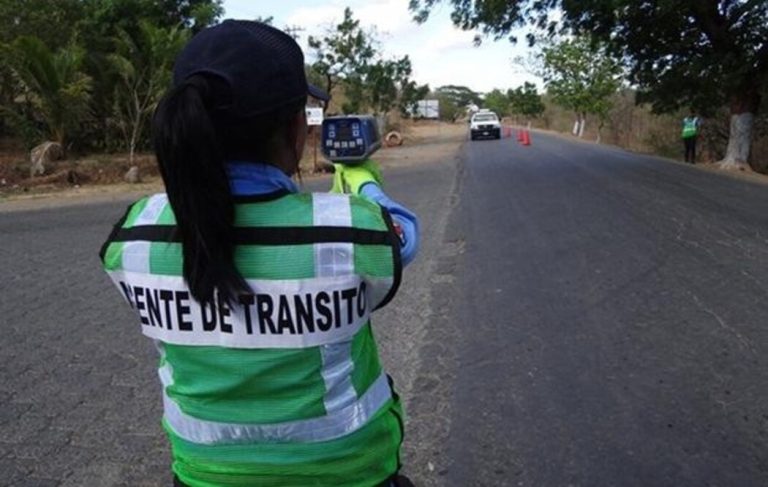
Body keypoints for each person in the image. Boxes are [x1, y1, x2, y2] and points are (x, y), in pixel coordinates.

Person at [99, 20, 419, 487]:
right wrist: (364, 180)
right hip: (353, 474)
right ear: (296, 129)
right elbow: (405, 235)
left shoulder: (134, 233)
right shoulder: (354, 228)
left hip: (203, 477)